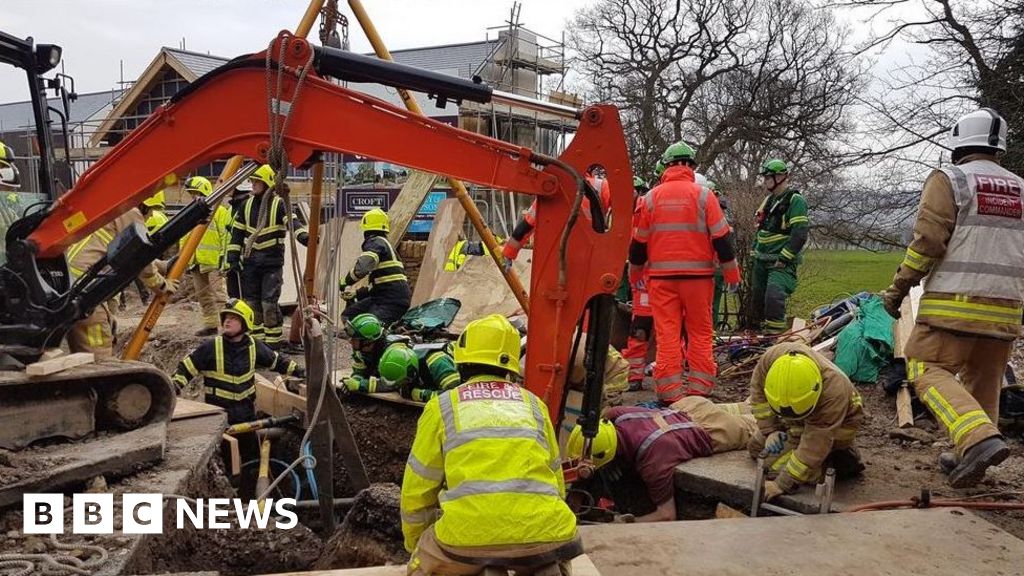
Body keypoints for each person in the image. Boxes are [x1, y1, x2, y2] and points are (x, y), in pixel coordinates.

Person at [881, 108, 1022, 488]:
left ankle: (977, 439)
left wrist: (898, 289)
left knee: (924, 369)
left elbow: (927, 242)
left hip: (952, 308)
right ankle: (970, 455)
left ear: (958, 144)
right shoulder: (1022, 188)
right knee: (984, 381)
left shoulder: (952, 180)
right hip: (1005, 310)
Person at [401, 314, 579, 575]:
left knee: (422, 565)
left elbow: (417, 491)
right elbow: (556, 480)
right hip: (546, 532)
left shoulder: (443, 407)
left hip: (469, 538)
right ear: (511, 364)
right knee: (548, 555)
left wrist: (417, 543)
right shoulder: (534, 405)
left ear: (460, 362)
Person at [629, 142, 741, 404]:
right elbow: (722, 241)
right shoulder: (705, 196)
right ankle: (700, 392)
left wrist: (635, 277)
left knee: (667, 335)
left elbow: (638, 246)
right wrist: (732, 275)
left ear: (667, 166)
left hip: (661, 282)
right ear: (691, 166)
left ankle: (670, 394)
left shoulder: (649, 199)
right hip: (699, 281)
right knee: (700, 334)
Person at [566, 396, 757, 522]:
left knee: (763, 424)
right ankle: (750, 404)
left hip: (712, 429)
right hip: (689, 406)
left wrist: (624, 523)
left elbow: (667, 515)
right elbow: (606, 414)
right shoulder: (616, 416)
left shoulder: (653, 462)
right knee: (751, 406)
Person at [747, 342, 864, 500]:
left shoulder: (834, 392)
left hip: (837, 426)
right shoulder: (771, 360)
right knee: (755, 447)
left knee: (774, 468)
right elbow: (759, 397)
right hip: (798, 423)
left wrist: (781, 484)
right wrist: (771, 431)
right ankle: (806, 446)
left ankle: (841, 459)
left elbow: (815, 443)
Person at [65, 209, 178, 357]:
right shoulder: (130, 212)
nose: (150, 216)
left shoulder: (112, 212)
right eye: (150, 212)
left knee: (83, 355)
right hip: (88, 295)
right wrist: (162, 286)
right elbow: (141, 260)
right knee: (98, 359)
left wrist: (161, 265)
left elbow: (125, 249)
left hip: (75, 287)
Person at [171, 299, 303, 425]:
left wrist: (299, 371)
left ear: (245, 323)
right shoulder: (211, 347)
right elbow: (187, 368)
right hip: (218, 416)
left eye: (233, 318)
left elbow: (277, 362)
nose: (227, 321)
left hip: (246, 415)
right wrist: (174, 386)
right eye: (226, 318)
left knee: (249, 448)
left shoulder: (253, 346)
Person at [226, 164, 288, 348]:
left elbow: (291, 221)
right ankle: (258, 346)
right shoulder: (246, 206)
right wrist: (232, 259)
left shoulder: (278, 204)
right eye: (252, 181)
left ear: (267, 182)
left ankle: (274, 345)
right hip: (251, 263)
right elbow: (236, 235)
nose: (252, 184)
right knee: (252, 304)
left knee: (269, 304)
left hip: (271, 263)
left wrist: (303, 235)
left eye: (256, 181)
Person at [502, 163, 611, 266]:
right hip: (590, 256)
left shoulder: (553, 188)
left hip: (556, 259)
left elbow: (526, 226)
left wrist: (509, 253)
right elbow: (624, 216)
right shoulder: (602, 186)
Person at [750, 159, 809, 334]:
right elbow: (761, 228)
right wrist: (754, 252)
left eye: (769, 177)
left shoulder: (795, 200)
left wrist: (785, 257)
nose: (766, 180)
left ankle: (774, 338)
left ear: (781, 176)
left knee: (774, 297)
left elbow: (800, 233)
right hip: (762, 259)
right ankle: (758, 335)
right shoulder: (769, 200)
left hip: (779, 262)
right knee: (758, 300)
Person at [339, 208, 411, 326]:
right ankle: (359, 343)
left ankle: (379, 342)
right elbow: (379, 284)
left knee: (370, 326)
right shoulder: (383, 244)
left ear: (366, 228)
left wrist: (345, 281)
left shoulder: (375, 243)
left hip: (390, 301)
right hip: (384, 297)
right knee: (349, 315)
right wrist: (356, 294)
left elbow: (362, 269)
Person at [181, 176, 232, 337]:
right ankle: (211, 325)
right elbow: (184, 237)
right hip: (196, 261)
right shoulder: (191, 213)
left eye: (196, 193)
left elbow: (226, 235)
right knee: (203, 296)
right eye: (191, 194)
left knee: (219, 296)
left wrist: (225, 257)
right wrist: (184, 258)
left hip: (214, 261)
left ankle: (227, 327)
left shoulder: (219, 212)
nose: (194, 197)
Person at [349, 341, 461, 402]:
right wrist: (362, 384)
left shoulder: (437, 362)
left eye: (402, 382)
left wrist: (424, 395)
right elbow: (390, 384)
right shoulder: (404, 366)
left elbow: (456, 394)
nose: (399, 387)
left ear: (411, 373)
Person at [708, 179, 733, 330]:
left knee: (709, 305)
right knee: (711, 304)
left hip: (711, 268)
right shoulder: (717, 213)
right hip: (714, 267)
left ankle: (710, 332)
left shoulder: (707, 210)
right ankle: (711, 332)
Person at [225, 180, 252, 300]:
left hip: (244, 262)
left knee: (246, 297)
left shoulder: (248, 207)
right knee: (234, 297)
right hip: (233, 262)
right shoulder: (231, 209)